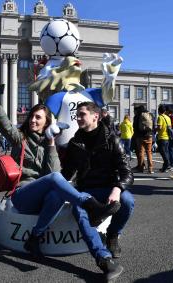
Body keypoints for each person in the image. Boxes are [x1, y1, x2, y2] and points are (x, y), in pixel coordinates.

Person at [0, 84, 120, 262]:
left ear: (47, 122)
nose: (33, 120)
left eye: (38, 117)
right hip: (22, 196)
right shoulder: (20, 137)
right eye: (32, 116)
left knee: (56, 192)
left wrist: (50, 143)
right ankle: (88, 204)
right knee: (56, 181)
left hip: (42, 199)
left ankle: (34, 238)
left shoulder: (50, 142)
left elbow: (54, 173)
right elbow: (4, 124)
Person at [61, 101, 134, 281]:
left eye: (82, 114)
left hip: (109, 187)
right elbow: (66, 173)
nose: (77, 118)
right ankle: (104, 259)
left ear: (96, 116)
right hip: (86, 190)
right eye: (76, 115)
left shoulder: (112, 140)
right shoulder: (74, 143)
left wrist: (117, 188)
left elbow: (127, 172)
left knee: (128, 200)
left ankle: (113, 235)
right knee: (79, 209)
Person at [132, 105, 154, 174]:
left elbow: (134, 126)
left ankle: (141, 168)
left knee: (141, 152)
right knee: (149, 152)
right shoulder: (150, 114)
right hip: (149, 135)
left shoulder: (138, 116)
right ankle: (150, 168)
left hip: (140, 136)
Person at [156, 104, 173, 173]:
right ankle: (165, 166)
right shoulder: (168, 117)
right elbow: (170, 127)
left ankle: (167, 164)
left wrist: (155, 129)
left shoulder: (160, 117)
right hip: (167, 137)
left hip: (162, 137)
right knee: (166, 152)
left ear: (158, 111)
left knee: (163, 152)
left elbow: (159, 128)